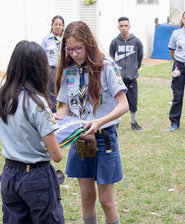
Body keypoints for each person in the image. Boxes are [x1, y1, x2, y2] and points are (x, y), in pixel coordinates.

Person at [55, 21, 128, 224]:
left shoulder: (106, 66)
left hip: (103, 137)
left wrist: (99, 121)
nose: (75, 53)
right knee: (87, 197)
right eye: (69, 49)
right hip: (80, 139)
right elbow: (66, 108)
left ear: (89, 43)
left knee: (106, 200)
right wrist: (57, 117)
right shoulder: (69, 70)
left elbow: (123, 104)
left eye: (78, 48)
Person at [0, 40, 64, 223]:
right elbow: (56, 155)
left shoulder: (3, 98)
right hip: (36, 177)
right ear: (39, 68)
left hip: (9, 174)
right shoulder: (37, 103)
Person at [109, 17, 143, 131]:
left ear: (129, 26)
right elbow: (111, 59)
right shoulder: (114, 42)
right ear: (118, 27)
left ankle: (133, 122)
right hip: (118, 79)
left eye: (125, 25)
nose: (124, 28)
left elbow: (139, 59)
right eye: (121, 26)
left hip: (132, 78)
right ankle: (116, 121)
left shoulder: (136, 41)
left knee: (133, 100)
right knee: (116, 101)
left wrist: (133, 70)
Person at [41, 15, 64, 112]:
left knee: (64, 88)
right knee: (51, 90)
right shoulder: (47, 39)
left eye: (60, 24)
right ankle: (52, 110)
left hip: (63, 68)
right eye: (56, 24)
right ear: (52, 25)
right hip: (51, 68)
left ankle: (65, 110)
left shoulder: (65, 39)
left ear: (63, 26)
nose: (58, 26)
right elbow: (42, 54)